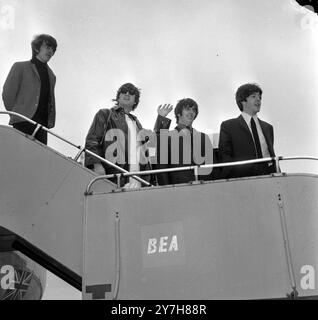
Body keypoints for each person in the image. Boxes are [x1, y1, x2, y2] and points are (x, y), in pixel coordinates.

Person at [84, 83, 153, 188]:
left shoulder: (137, 124)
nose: (127, 93)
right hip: (114, 178)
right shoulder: (105, 114)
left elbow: (146, 152)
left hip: (138, 182)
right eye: (124, 91)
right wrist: (96, 165)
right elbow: (92, 140)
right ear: (118, 97)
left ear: (135, 101)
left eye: (131, 92)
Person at [2, 34, 57, 145]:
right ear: (36, 48)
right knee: (19, 155)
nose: (50, 51)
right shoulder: (20, 67)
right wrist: (17, 114)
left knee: (37, 158)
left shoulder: (52, 75)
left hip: (42, 126)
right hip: (22, 121)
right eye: (47, 46)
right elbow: (8, 94)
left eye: (53, 49)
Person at [218, 83, 276, 179]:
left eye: (260, 97)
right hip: (243, 182)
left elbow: (271, 156)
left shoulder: (268, 128)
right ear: (243, 101)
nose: (258, 100)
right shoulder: (228, 126)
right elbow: (225, 158)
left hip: (268, 179)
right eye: (253, 96)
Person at [153, 98, 215, 185]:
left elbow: (213, 168)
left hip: (204, 190)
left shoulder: (204, 137)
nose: (191, 112)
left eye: (194, 110)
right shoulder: (167, 137)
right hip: (178, 190)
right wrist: (161, 118)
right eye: (187, 109)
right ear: (178, 114)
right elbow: (162, 170)